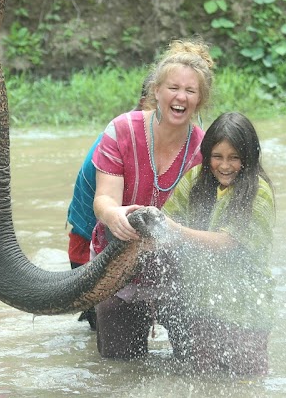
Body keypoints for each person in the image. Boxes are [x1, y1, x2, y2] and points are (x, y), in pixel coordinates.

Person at [90, 37, 215, 359]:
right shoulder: (121, 130)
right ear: (156, 92)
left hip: (178, 271)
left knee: (193, 366)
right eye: (173, 87)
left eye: (191, 91)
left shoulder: (205, 151)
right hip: (116, 262)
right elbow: (104, 198)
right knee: (121, 369)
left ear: (200, 100)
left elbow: (200, 222)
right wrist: (113, 216)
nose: (180, 97)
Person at [159, 111, 276, 375]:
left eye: (235, 158)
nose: (225, 166)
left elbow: (226, 242)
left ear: (249, 157)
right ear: (207, 155)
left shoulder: (260, 193)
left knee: (247, 383)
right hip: (202, 305)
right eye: (217, 156)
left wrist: (175, 230)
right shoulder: (194, 180)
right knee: (205, 380)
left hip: (247, 311)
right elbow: (166, 219)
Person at [65, 74, 153, 329]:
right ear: (145, 102)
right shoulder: (122, 139)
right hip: (90, 249)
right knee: (105, 332)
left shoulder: (160, 139)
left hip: (116, 246)